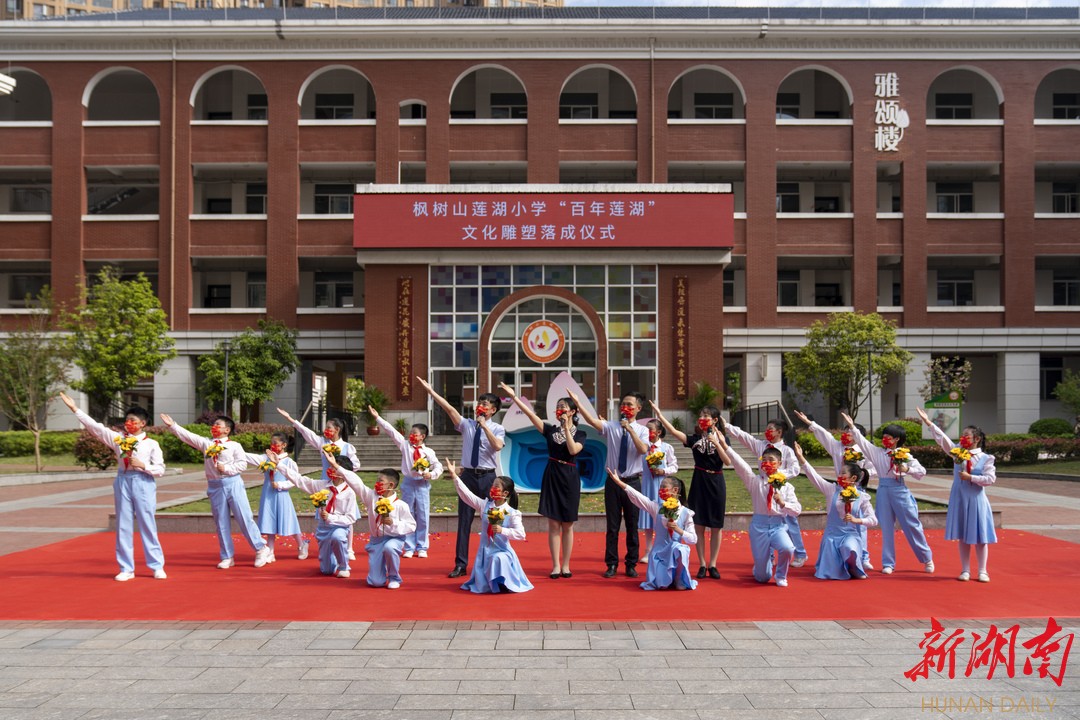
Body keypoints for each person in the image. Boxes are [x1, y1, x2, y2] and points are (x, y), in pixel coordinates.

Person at [59, 392, 168, 581]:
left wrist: (144, 466)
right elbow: (96, 428)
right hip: (123, 480)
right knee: (123, 525)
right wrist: (75, 409)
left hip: (143, 481)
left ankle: (156, 565)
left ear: (143, 423)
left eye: (133, 420)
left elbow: (160, 469)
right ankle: (126, 568)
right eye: (127, 420)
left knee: (147, 524)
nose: (129, 423)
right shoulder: (118, 439)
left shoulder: (151, 444)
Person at [417, 377, 505, 578]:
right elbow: (449, 409)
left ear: (492, 410)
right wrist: (431, 391)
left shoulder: (497, 428)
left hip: (488, 478)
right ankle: (460, 564)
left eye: (485, 404)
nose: (480, 406)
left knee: (492, 519)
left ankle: (491, 561)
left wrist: (484, 427)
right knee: (464, 522)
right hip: (468, 477)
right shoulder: (466, 425)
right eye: (479, 403)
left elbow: (497, 446)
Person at [161, 413, 272, 569]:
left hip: (232, 484)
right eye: (213, 425)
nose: (214, 427)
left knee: (244, 518)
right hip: (214, 486)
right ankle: (227, 556)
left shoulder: (234, 446)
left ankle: (261, 548)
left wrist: (226, 468)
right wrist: (172, 426)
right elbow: (188, 437)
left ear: (227, 430)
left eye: (218, 425)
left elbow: (242, 465)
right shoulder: (207, 444)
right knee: (221, 522)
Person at [499, 382, 584, 579]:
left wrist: (566, 430)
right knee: (554, 524)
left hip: (570, 477)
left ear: (572, 412)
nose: (560, 410)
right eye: (558, 407)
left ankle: (566, 565)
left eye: (563, 407)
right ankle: (555, 565)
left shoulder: (580, 434)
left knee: (568, 524)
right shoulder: (550, 431)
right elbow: (531, 415)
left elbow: (573, 450)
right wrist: (514, 397)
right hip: (552, 475)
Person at [569, 389, 650, 578]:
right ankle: (611, 564)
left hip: (632, 483)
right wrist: (578, 402)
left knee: (632, 525)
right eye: (623, 404)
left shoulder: (643, 430)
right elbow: (591, 420)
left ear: (638, 408)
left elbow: (643, 449)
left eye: (630, 404)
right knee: (612, 526)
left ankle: (631, 563)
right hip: (613, 482)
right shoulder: (611, 426)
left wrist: (629, 429)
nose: (625, 407)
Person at [841, 412, 935, 575]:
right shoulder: (877, 453)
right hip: (884, 491)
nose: (885, 439)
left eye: (888, 437)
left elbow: (922, 471)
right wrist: (853, 427)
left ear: (897, 439)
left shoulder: (904, 454)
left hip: (900, 490)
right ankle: (888, 562)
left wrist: (907, 469)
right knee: (886, 527)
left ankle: (927, 558)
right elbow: (863, 443)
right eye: (884, 436)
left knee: (912, 525)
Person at [916, 407, 997, 583]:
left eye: (966, 436)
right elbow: (943, 441)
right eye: (962, 435)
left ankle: (982, 571)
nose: (962, 439)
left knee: (980, 537)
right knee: (963, 535)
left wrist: (971, 477)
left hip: (976, 499)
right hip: (960, 498)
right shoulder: (957, 453)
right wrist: (929, 423)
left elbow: (990, 479)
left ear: (977, 439)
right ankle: (965, 570)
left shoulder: (986, 458)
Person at [650, 401, 727, 580]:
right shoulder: (694, 439)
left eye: (706, 416)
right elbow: (676, 434)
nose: (702, 419)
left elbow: (728, 460)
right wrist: (661, 416)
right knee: (698, 524)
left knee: (716, 525)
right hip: (699, 480)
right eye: (701, 415)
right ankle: (701, 564)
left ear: (715, 420)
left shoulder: (722, 438)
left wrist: (716, 441)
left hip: (716, 480)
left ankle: (713, 564)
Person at [793, 410, 877, 570]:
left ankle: (864, 556)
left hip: (857, 489)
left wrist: (862, 474)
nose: (846, 436)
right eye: (844, 432)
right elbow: (824, 435)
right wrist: (809, 423)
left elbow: (874, 468)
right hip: (838, 488)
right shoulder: (838, 447)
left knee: (860, 524)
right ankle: (836, 552)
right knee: (839, 520)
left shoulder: (865, 450)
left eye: (850, 433)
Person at [277, 408, 360, 560]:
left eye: (329, 428)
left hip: (342, 482)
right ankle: (326, 546)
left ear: (337, 430)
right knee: (324, 512)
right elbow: (308, 434)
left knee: (347, 515)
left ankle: (349, 548)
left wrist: (339, 466)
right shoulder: (323, 444)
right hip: (326, 482)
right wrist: (291, 419)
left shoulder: (347, 447)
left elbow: (356, 465)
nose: (325, 431)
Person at [719, 437, 802, 587]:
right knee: (762, 577)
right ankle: (761, 566)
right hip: (759, 526)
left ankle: (781, 575)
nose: (767, 463)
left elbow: (797, 510)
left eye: (771, 460)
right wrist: (726, 447)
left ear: (780, 464)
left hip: (778, 526)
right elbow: (741, 465)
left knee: (788, 548)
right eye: (764, 460)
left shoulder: (787, 487)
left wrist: (784, 503)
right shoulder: (755, 481)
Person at [726, 417, 807, 568]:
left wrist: (777, 475)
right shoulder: (761, 446)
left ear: (779, 431)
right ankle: (769, 557)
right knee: (765, 519)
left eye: (770, 429)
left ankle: (800, 553)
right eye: (767, 428)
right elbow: (744, 436)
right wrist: (727, 426)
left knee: (790, 523)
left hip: (780, 487)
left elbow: (795, 469)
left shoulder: (787, 450)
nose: (767, 432)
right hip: (762, 485)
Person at [446, 460, 533, 594]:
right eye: (493, 485)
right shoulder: (484, 506)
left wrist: (503, 530)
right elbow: (466, 495)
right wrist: (454, 476)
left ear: (505, 494)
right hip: (485, 552)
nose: (492, 488)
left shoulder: (512, 513)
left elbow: (521, 534)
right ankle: (491, 583)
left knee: (498, 558)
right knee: (492, 558)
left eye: (497, 486)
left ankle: (503, 582)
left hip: (503, 551)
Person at [367, 406, 442, 560]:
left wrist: (431, 474)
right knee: (408, 514)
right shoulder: (405, 445)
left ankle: (422, 547)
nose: (411, 436)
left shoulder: (429, 452)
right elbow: (392, 431)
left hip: (422, 484)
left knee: (422, 516)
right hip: (408, 483)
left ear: (422, 436)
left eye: (415, 434)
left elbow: (438, 466)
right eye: (411, 433)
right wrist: (377, 418)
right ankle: (408, 546)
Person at [606, 469, 697, 591]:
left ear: (675, 490)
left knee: (680, 549)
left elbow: (693, 539)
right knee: (662, 586)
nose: (660, 490)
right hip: (659, 555)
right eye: (660, 487)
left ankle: (679, 577)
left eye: (664, 487)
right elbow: (638, 497)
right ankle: (662, 576)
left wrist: (679, 530)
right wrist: (619, 483)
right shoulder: (656, 508)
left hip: (674, 553)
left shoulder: (686, 513)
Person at [335, 461, 416, 589]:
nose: (377, 483)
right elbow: (357, 483)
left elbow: (411, 526)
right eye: (377, 480)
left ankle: (394, 577)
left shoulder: (400, 505)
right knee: (375, 582)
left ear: (391, 485)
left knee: (390, 548)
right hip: (376, 541)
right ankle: (378, 574)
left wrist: (393, 523)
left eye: (380, 481)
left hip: (394, 539)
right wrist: (337, 467)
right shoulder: (371, 497)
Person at [276, 451, 358, 578]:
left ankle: (344, 565)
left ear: (343, 472)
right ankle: (332, 561)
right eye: (330, 467)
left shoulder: (350, 492)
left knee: (337, 537)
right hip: (324, 528)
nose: (330, 470)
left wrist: (331, 517)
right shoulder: (322, 485)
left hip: (339, 526)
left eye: (334, 467)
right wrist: (278, 464)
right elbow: (299, 480)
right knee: (327, 571)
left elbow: (351, 518)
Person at [244, 432, 309, 563]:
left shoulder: (289, 462)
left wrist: (279, 484)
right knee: (269, 521)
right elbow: (250, 457)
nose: (273, 446)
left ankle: (302, 545)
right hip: (268, 494)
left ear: (284, 445)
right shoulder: (265, 458)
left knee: (289, 520)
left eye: (276, 443)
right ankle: (271, 551)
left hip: (282, 494)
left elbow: (294, 480)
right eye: (271, 443)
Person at [637, 418, 679, 562]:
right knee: (648, 518)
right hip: (647, 485)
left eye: (650, 429)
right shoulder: (643, 447)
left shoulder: (666, 448)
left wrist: (664, 471)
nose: (647, 432)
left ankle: (664, 548)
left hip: (662, 487)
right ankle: (648, 550)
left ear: (659, 432)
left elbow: (674, 466)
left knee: (663, 517)